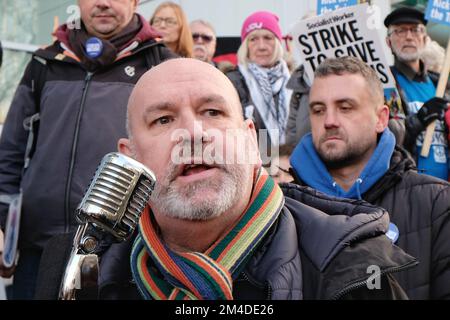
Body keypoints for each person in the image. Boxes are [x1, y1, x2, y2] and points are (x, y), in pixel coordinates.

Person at [93, 58, 415, 300]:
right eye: (163, 119)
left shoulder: (354, 270)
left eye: (213, 113)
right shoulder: (84, 268)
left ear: (250, 140)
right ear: (130, 156)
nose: (193, 133)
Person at [0, 0, 174, 300]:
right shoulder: (44, 61)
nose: (104, 3)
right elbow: (10, 153)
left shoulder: (160, 63)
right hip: (36, 250)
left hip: (122, 255)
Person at [289, 56, 450, 299]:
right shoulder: (284, 210)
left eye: (345, 107)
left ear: (381, 118)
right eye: (319, 110)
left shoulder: (437, 203)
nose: (329, 121)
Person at [384, 7, 449, 180]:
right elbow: (388, 138)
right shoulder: (386, 84)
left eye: (415, 30)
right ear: (388, 42)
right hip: (410, 186)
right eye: (400, 31)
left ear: (425, 39)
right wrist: (419, 120)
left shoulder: (442, 85)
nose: (409, 36)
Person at [226, 11, 292, 147]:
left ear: (278, 43)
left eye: (268, 38)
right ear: (246, 46)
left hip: (293, 161)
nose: (261, 46)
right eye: (253, 39)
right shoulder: (231, 82)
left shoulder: (296, 79)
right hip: (253, 163)